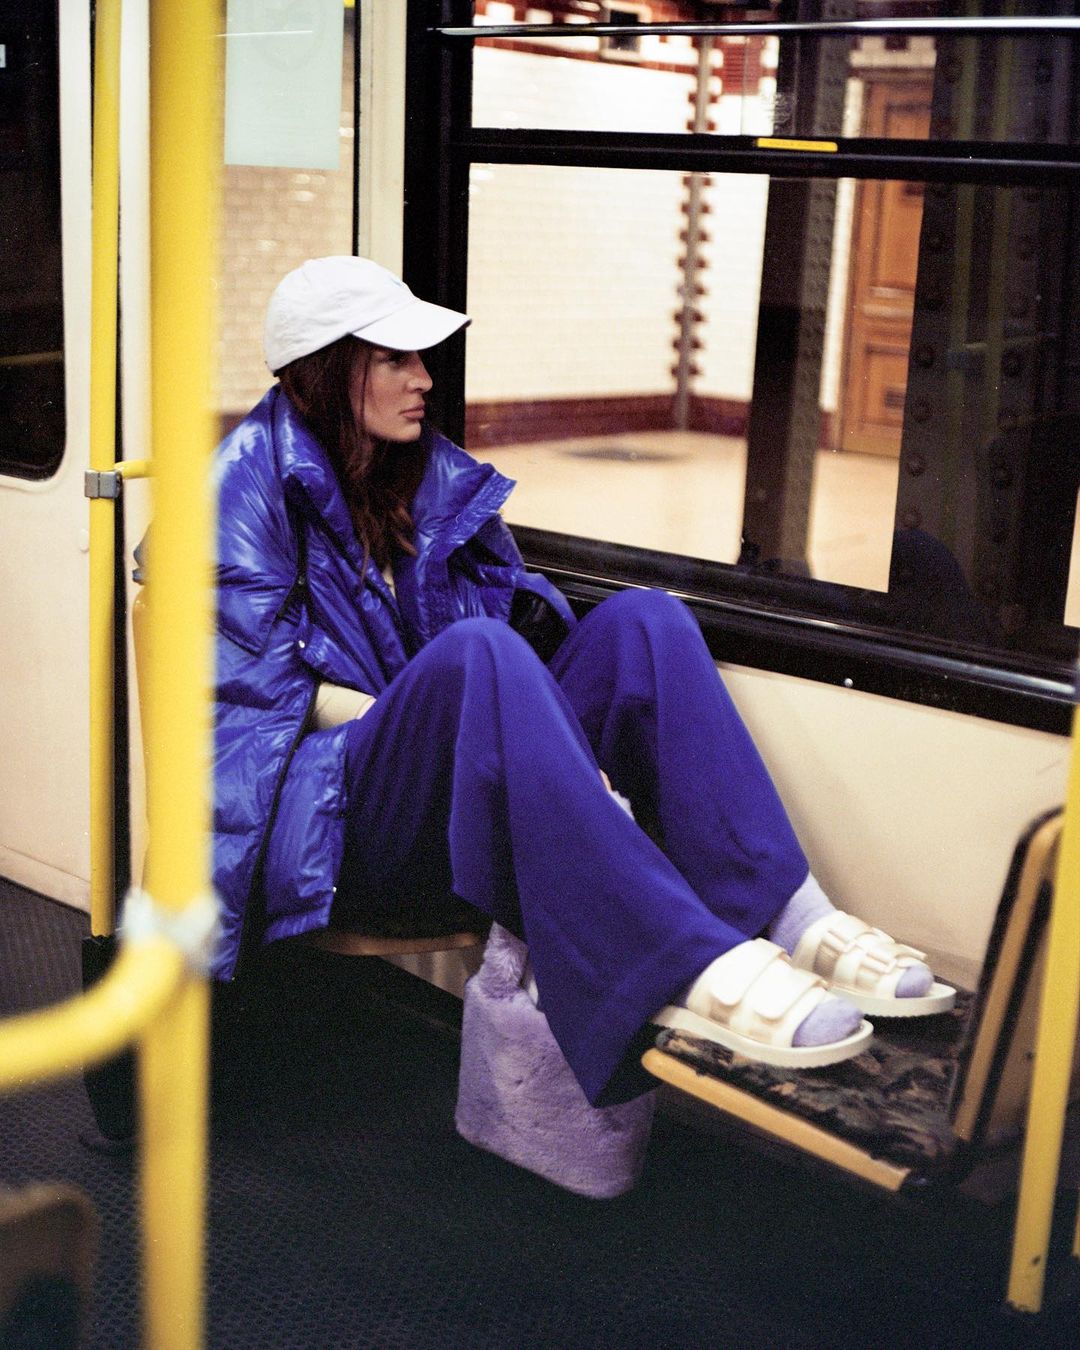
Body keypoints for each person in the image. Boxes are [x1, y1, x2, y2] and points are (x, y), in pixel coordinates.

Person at [211, 255, 954, 1108]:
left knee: (646, 622)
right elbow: (253, 708)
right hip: (342, 821)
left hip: (455, 779)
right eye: (394, 359)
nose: (424, 379)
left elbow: (509, 613)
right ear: (325, 371)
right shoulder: (241, 492)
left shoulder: (424, 473)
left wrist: (540, 722)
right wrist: (507, 728)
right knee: (477, 656)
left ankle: (789, 911)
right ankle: (678, 959)